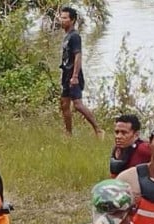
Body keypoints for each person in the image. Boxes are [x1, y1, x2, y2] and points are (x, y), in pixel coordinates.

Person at [56, 6, 102, 138]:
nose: (62, 20)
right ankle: (69, 134)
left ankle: (98, 130)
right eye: (61, 17)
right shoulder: (67, 36)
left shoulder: (75, 36)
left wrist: (75, 76)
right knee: (64, 104)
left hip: (73, 75)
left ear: (73, 20)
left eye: (65, 18)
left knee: (77, 104)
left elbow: (78, 56)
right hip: (66, 74)